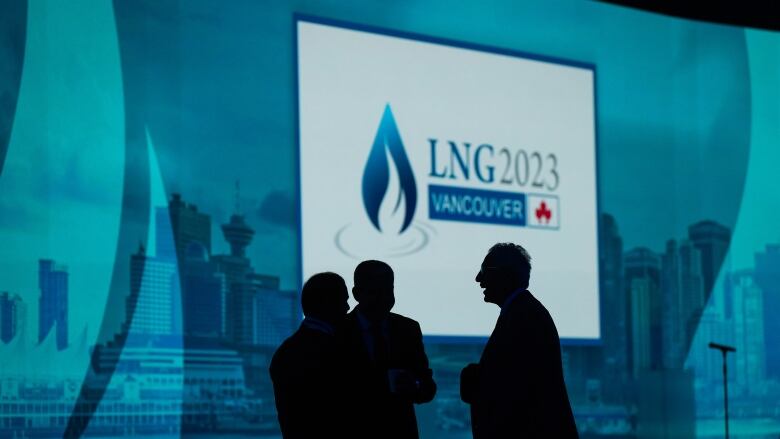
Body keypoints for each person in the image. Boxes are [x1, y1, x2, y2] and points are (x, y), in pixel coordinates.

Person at [460, 243, 578, 438]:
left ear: (505, 275)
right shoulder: (524, 313)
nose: (478, 279)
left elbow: (513, 389)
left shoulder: (524, 317)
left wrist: (475, 379)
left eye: (484, 271)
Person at [342, 260, 436, 439]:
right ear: (356, 293)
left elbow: (428, 387)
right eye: (375, 292)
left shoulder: (408, 329)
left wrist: (415, 386)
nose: (383, 298)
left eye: (388, 290)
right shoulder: (338, 331)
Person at [269, 272, 350, 438]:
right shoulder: (338, 351)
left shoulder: (285, 352)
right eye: (344, 301)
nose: (347, 308)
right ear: (328, 303)